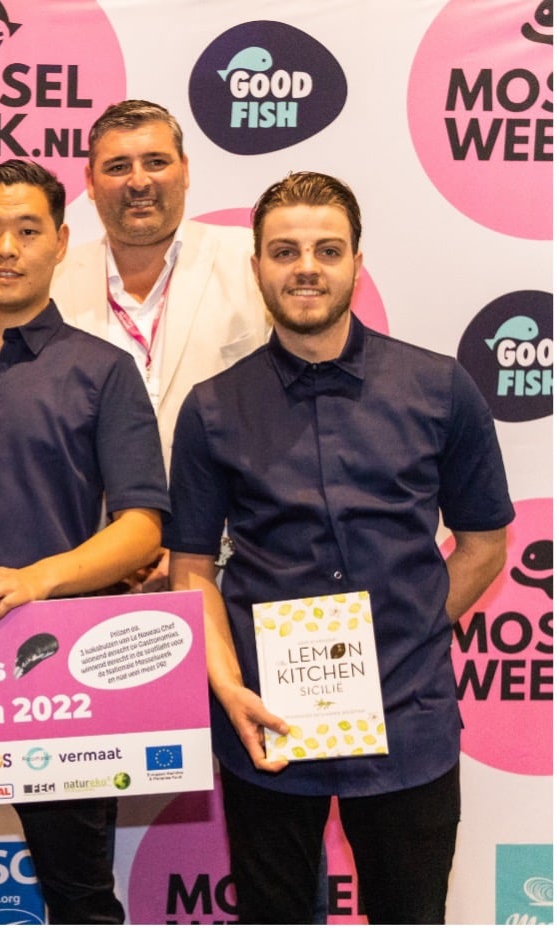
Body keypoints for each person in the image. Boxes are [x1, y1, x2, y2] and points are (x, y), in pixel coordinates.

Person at [166, 171, 512, 924]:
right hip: (264, 723)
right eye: (284, 251)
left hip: (408, 719)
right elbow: (190, 568)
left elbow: (486, 542)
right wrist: (230, 686)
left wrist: (412, 630)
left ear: (357, 261)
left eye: (327, 250)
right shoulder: (212, 408)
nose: (307, 268)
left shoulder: (439, 388)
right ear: (257, 265)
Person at [0, 159, 169, 924]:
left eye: (26, 230)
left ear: (60, 242)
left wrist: (37, 579)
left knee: (81, 898)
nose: (6, 249)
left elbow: (143, 527)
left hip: (63, 673)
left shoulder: (103, 372)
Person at [51, 99, 269, 592]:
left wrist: (199, 547)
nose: (139, 181)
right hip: (89, 576)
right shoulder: (52, 285)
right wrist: (117, 552)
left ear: (185, 170)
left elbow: (287, 427)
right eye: (117, 167)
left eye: (155, 162)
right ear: (89, 182)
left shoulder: (252, 262)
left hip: (237, 567)